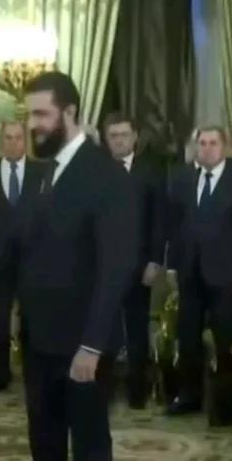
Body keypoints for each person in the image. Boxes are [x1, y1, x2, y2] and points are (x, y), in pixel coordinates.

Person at [0, 71, 134, 461]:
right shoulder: (42, 173)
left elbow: (115, 268)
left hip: (83, 349)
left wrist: (92, 345)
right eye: (29, 115)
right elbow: (23, 250)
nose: (33, 125)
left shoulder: (106, 176)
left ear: (70, 113)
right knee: (45, 444)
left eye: (41, 115)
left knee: (89, 451)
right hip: (41, 341)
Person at [164, 127, 232, 425]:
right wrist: (172, 265)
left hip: (226, 275)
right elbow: (175, 226)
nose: (206, 148)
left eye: (212, 143)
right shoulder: (183, 179)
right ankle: (189, 396)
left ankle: (227, 404)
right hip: (189, 272)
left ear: (225, 147)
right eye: (202, 143)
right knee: (188, 338)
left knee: (225, 341)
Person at [0, 120, 45, 393]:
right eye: (8, 138)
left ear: (25, 141)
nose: (13, 143)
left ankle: (34, 375)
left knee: (33, 321)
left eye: (18, 138)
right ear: (0, 141)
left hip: (33, 260)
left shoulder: (43, 172)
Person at [102, 113, 165, 408]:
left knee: (137, 328)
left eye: (123, 135)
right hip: (102, 266)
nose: (118, 140)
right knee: (103, 328)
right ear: (106, 139)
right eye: (113, 136)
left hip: (139, 265)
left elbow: (159, 221)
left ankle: (136, 391)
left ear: (135, 137)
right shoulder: (95, 172)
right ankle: (103, 389)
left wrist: (155, 260)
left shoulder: (150, 172)